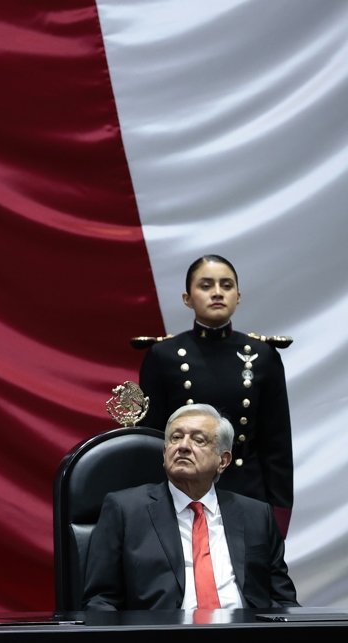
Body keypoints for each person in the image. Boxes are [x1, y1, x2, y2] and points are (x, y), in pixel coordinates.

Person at [82, 404, 298, 611]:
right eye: (176, 438)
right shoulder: (125, 510)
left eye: (198, 440)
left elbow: (282, 599)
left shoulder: (256, 515)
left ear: (223, 461)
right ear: (165, 453)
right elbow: (100, 601)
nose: (183, 446)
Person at [136, 255, 293, 535]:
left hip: (248, 493)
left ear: (238, 296)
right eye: (206, 285)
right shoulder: (164, 356)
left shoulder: (262, 356)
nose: (218, 292)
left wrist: (279, 514)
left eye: (226, 285)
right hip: (180, 493)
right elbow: (151, 439)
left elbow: (277, 445)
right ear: (187, 298)